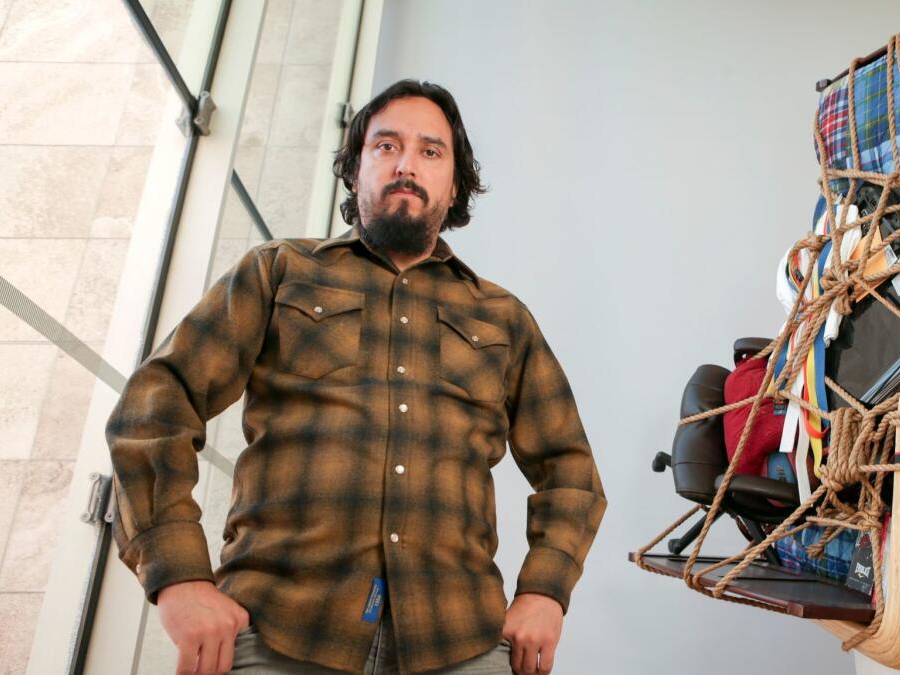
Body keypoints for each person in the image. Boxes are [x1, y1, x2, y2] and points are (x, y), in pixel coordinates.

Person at [106, 79, 606, 675]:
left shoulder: (503, 318)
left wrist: (544, 593)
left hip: (460, 640)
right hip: (277, 630)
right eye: (385, 146)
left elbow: (571, 470)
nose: (405, 165)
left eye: (430, 151)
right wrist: (179, 578)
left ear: (455, 183)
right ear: (355, 169)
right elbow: (155, 407)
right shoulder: (278, 272)